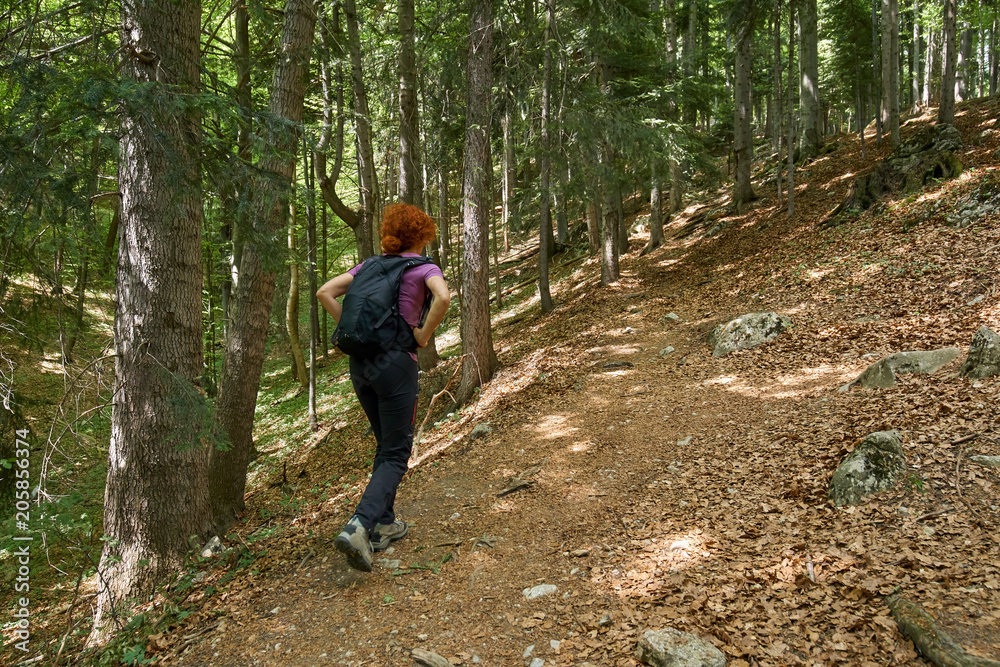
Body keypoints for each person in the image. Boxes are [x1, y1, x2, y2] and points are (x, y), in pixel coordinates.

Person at [316, 202, 450, 572]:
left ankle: (384, 524)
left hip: (360, 365)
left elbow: (325, 292)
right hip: (396, 364)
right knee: (395, 453)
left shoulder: (368, 266)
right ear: (421, 235)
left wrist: (357, 331)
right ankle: (360, 525)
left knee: (385, 446)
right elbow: (443, 296)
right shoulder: (424, 268)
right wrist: (422, 335)